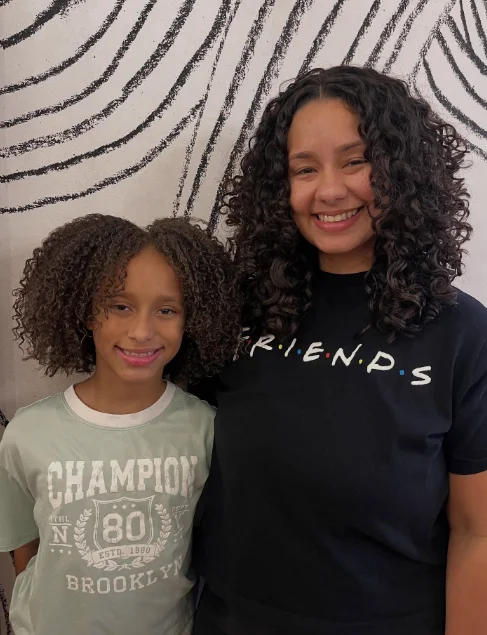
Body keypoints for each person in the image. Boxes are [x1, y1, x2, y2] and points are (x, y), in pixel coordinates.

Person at [192, 66, 487, 635]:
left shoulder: (463, 333)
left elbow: (477, 533)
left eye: (356, 162)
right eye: (305, 169)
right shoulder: (236, 309)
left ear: (403, 172)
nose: (328, 190)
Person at [0, 214, 240, 635]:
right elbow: (25, 546)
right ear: (85, 311)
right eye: (120, 306)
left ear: (191, 320)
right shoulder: (27, 434)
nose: (142, 331)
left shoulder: (207, 429)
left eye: (166, 310)